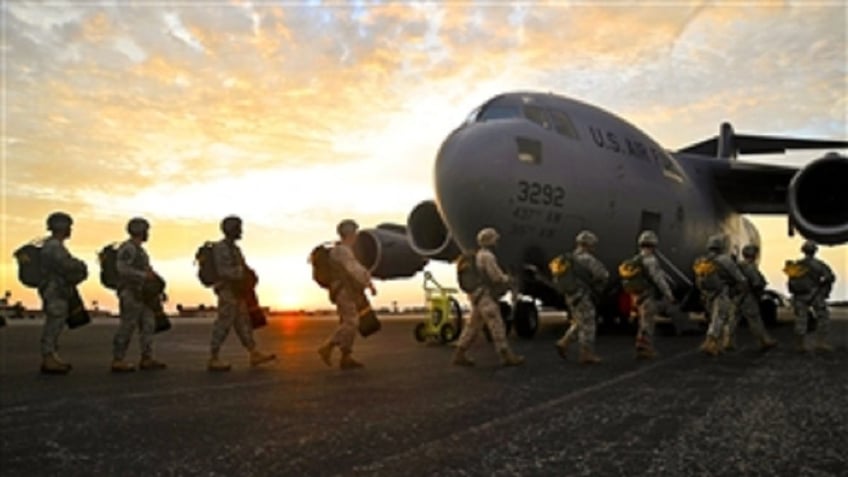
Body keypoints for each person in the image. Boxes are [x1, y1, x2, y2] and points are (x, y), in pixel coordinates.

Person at [207, 216, 276, 371]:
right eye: (238, 228)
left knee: (243, 323)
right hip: (227, 291)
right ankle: (213, 357)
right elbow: (223, 271)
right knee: (223, 324)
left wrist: (249, 275)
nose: (241, 231)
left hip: (238, 292)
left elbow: (242, 267)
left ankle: (254, 353)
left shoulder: (235, 249)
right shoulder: (221, 248)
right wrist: (242, 273)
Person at [452, 227, 525, 367]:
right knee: (497, 324)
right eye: (495, 239)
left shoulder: (478, 255)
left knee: (472, 326)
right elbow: (496, 277)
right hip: (485, 296)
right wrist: (509, 279)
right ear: (490, 241)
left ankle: (459, 354)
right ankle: (506, 356)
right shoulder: (488, 257)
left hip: (476, 296)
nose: (497, 242)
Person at [317, 219, 376, 370]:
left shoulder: (340, 249)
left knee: (347, 321)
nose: (356, 235)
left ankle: (346, 357)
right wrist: (368, 282)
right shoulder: (342, 251)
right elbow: (354, 269)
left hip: (344, 290)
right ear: (350, 233)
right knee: (351, 322)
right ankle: (327, 347)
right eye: (355, 232)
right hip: (344, 291)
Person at [111, 218, 167, 372]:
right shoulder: (128, 248)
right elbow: (122, 268)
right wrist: (143, 276)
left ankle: (147, 358)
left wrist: (158, 286)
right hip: (131, 293)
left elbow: (148, 271)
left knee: (148, 326)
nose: (147, 233)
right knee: (127, 326)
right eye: (145, 230)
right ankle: (118, 359)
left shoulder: (140, 250)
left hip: (144, 295)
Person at [38, 212, 88, 374]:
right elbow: (66, 265)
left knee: (56, 323)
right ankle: (48, 358)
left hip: (57, 289)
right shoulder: (53, 247)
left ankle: (51, 356)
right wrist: (80, 265)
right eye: (68, 227)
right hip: (55, 290)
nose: (70, 230)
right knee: (54, 324)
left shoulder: (54, 245)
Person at [554, 230, 609, 364]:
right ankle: (586, 353)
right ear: (588, 244)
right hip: (583, 295)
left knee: (580, 321)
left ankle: (564, 342)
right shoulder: (588, 259)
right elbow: (603, 274)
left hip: (570, 295)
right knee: (589, 323)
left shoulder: (569, 258)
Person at [621, 230, 674, 359]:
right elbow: (658, 279)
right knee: (648, 323)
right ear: (654, 245)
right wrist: (668, 294)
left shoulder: (636, 259)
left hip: (637, 296)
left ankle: (641, 346)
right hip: (647, 296)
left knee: (643, 321)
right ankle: (645, 349)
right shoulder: (650, 260)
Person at [695, 234, 747, 356]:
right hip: (722, 292)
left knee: (713, 318)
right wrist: (742, 286)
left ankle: (712, 344)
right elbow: (738, 276)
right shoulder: (725, 259)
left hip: (708, 294)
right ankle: (711, 344)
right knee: (720, 318)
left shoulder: (703, 260)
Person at [725, 244, 777, 352]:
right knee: (755, 319)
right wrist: (759, 293)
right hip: (748, 297)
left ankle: (728, 342)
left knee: (732, 320)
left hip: (736, 296)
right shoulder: (750, 267)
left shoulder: (737, 266)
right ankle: (764, 341)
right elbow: (757, 283)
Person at [788, 240, 836, 353]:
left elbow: (790, 282)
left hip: (799, 296)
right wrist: (823, 289)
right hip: (816, 295)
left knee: (801, 319)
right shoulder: (819, 264)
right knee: (823, 317)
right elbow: (830, 277)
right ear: (815, 251)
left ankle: (800, 345)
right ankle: (821, 343)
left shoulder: (795, 264)